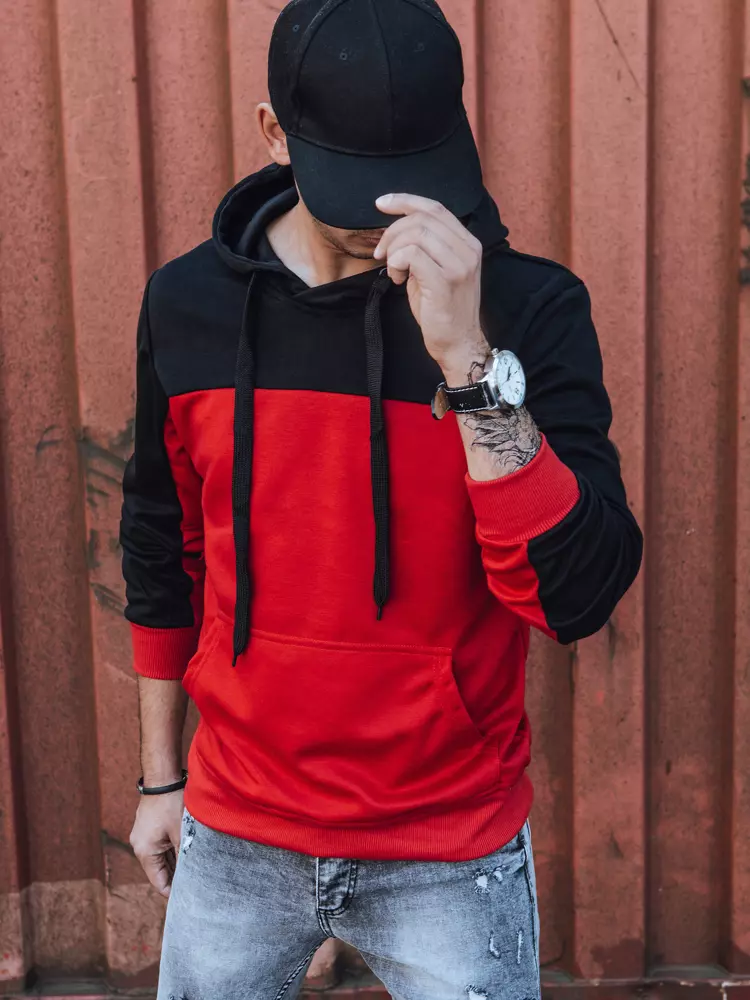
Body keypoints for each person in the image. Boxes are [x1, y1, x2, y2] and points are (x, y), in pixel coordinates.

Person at [120, 0, 642, 997]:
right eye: (360, 187)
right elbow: (160, 542)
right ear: (275, 135)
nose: (392, 216)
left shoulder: (528, 308)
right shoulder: (187, 306)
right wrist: (160, 777)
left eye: (421, 175)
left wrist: (470, 362)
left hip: (449, 845)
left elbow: (575, 595)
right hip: (237, 827)